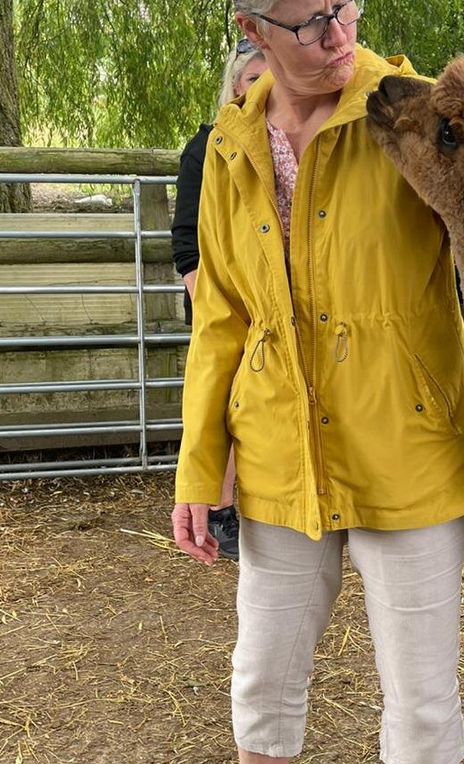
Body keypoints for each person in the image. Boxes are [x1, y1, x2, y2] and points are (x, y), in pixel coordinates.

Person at [170, 0, 464, 761]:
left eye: (345, 5)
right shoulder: (231, 142)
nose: (339, 34)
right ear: (252, 29)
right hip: (276, 458)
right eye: (310, 22)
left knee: (421, 705)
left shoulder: (425, 119)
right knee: (261, 686)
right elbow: (222, 317)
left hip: (409, 454)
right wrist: (201, 464)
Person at [170, 40, 268, 561]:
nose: (265, 88)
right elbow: (187, 241)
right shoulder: (207, 147)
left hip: (272, 301)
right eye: (254, 79)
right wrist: (211, 303)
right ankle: (220, 506)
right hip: (221, 299)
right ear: (234, 86)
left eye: (272, 78)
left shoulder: (287, 145)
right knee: (223, 398)